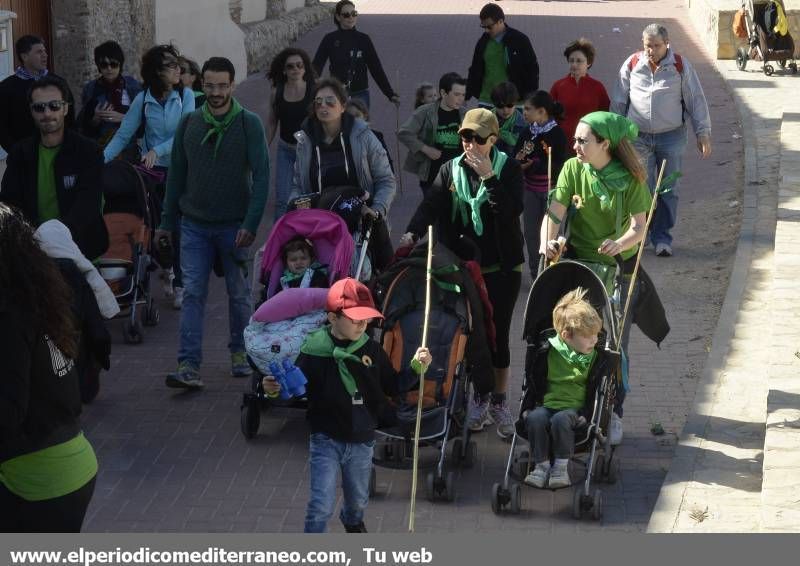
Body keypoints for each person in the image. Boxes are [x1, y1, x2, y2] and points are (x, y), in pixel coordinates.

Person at [262, 278, 432, 532]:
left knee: (357, 501)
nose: (362, 324)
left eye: (366, 318)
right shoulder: (314, 350)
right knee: (321, 504)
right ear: (332, 318)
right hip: (325, 438)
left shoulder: (372, 351)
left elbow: (393, 385)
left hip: (362, 440)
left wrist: (418, 366)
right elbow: (295, 391)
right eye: (355, 318)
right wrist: (274, 390)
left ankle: (352, 521)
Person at [399, 108, 524, 439]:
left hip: (501, 267)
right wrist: (412, 232)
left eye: (477, 138)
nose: (469, 144)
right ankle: (477, 397)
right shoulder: (449, 170)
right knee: (467, 332)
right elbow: (431, 207)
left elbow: (511, 212)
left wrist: (489, 178)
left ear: (493, 140)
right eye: (465, 136)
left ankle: (498, 401)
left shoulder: (508, 169)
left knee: (497, 335)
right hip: (461, 266)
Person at [156, 56, 270, 389]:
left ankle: (240, 353)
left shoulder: (249, 124)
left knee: (238, 295)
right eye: (209, 85)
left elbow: (262, 177)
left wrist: (251, 222)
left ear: (233, 85)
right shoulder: (189, 123)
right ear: (200, 84)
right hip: (194, 225)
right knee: (192, 293)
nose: (216, 91)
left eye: (222, 85)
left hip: (235, 225)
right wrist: (166, 221)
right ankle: (188, 365)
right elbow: (176, 175)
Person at [539, 111, 652, 445]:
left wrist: (619, 243)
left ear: (605, 144)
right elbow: (553, 214)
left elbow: (639, 228)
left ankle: (614, 411)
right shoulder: (573, 168)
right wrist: (548, 242)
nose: (574, 145)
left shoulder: (631, 179)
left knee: (614, 342)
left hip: (618, 265)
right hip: (578, 262)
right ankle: (569, 400)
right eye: (575, 139)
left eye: (582, 141)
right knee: (568, 330)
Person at [0, 204, 98, 532]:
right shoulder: (37, 301)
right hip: (72, 463)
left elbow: (8, 412)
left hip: (39, 478)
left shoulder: (8, 319)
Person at [103, 44, 196, 306]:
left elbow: (184, 134)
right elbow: (123, 134)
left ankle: (179, 283)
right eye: (171, 65)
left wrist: (157, 149)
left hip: (180, 170)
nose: (179, 70)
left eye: (178, 65)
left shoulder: (186, 96)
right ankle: (165, 266)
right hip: (152, 173)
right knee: (151, 226)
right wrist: (98, 161)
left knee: (177, 227)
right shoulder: (143, 99)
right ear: (156, 72)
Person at [610, 23, 712, 258]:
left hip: (671, 137)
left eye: (656, 46)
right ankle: (640, 235)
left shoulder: (680, 65)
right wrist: (615, 135)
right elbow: (618, 101)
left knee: (668, 189)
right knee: (640, 188)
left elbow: (696, 100)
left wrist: (703, 132)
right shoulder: (632, 64)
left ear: (666, 44)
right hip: (638, 138)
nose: (651, 50)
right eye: (648, 45)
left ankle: (662, 237)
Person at [0, 75, 107, 261]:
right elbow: (10, 203)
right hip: (34, 251)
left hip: (80, 248)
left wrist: (57, 239)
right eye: (39, 108)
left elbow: (88, 205)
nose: (47, 113)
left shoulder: (89, 151)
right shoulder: (20, 153)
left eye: (54, 106)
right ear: (31, 111)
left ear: (65, 108)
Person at [523, 287, 602, 489]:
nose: (594, 340)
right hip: (548, 403)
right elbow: (535, 378)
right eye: (588, 336)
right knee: (535, 417)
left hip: (574, 409)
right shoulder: (547, 351)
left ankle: (560, 466)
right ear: (566, 336)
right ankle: (541, 466)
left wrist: (587, 413)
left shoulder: (595, 356)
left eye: (596, 335)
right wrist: (528, 405)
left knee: (560, 419)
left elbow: (595, 389)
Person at [288, 78, 396, 221]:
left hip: (360, 221)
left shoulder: (363, 136)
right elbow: (299, 186)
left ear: (343, 106)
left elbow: (386, 180)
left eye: (330, 101)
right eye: (318, 102)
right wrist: (295, 212)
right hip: (319, 224)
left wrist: (377, 210)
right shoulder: (305, 141)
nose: (323, 105)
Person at [513, 90, 567, 278]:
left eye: (528, 109)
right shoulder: (527, 131)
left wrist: (536, 164)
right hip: (530, 190)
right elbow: (517, 154)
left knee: (552, 233)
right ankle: (536, 271)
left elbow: (560, 163)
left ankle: (551, 270)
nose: (524, 112)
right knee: (530, 232)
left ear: (542, 111)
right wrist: (519, 162)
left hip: (550, 192)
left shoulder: (557, 133)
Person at [312, 0, 400, 109]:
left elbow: (376, 68)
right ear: (338, 17)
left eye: (354, 14)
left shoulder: (364, 39)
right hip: (337, 93)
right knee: (337, 126)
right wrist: (311, 90)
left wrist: (389, 94)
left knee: (360, 126)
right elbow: (316, 66)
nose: (351, 17)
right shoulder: (329, 39)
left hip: (360, 94)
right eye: (346, 15)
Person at [0, 35, 75, 154]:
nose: (45, 55)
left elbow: (70, 118)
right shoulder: (6, 88)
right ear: (24, 56)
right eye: (39, 52)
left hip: (58, 152)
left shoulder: (59, 83)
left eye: (44, 51)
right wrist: (15, 151)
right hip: (23, 156)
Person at [267, 48, 316, 221]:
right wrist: (264, 147)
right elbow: (272, 121)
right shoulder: (277, 92)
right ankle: (277, 241)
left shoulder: (314, 90)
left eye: (299, 65)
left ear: (305, 68)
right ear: (284, 70)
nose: (295, 69)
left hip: (308, 151)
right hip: (285, 150)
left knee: (307, 198)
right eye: (290, 66)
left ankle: (306, 238)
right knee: (282, 200)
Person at [397, 72, 466, 195]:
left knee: (453, 211)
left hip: (456, 177)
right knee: (433, 212)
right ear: (443, 93)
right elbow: (404, 133)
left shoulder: (465, 114)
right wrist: (426, 149)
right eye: (456, 94)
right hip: (431, 177)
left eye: (463, 95)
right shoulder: (425, 112)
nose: (461, 99)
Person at [466, 3, 539, 108]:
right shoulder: (483, 42)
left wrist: (529, 95)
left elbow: (532, 68)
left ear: (501, 21)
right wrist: (467, 94)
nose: (486, 30)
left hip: (513, 102)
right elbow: (475, 68)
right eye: (483, 27)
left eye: (489, 27)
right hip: (487, 100)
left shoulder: (520, 40)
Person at [549, 38, 610, 156]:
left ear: (589, 63)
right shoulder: (558, 86)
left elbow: (605, 115)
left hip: (590, 145)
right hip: (563, 143)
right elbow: (549, 115)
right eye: (571, 60)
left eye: (579, 61)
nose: (574, 64)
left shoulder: (597, 87)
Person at [78, 41, 143, 149]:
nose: (109, 69)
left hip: (128, 148)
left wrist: (124, 118)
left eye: (113, 64)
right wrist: (95, 119)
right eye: (104, 65)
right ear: (99, 66)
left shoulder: (132, 86)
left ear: (120, 64)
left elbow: (145, 118)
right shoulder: (91, 89)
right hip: (101, 147)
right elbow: (84, 126)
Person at [345, 98, 393, 173]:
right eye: (350, 117)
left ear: (365, 116)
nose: (354, 120)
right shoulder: (343, 140)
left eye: (357, 115)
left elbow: (388, 165)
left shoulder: (376, 136)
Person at [490, 81, 526, 156]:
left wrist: (501, 134)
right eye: (500, 106)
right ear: (494, 104)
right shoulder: (486, 118)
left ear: (515, 103)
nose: (505, 110)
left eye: (509, 105)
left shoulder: (522, 122)